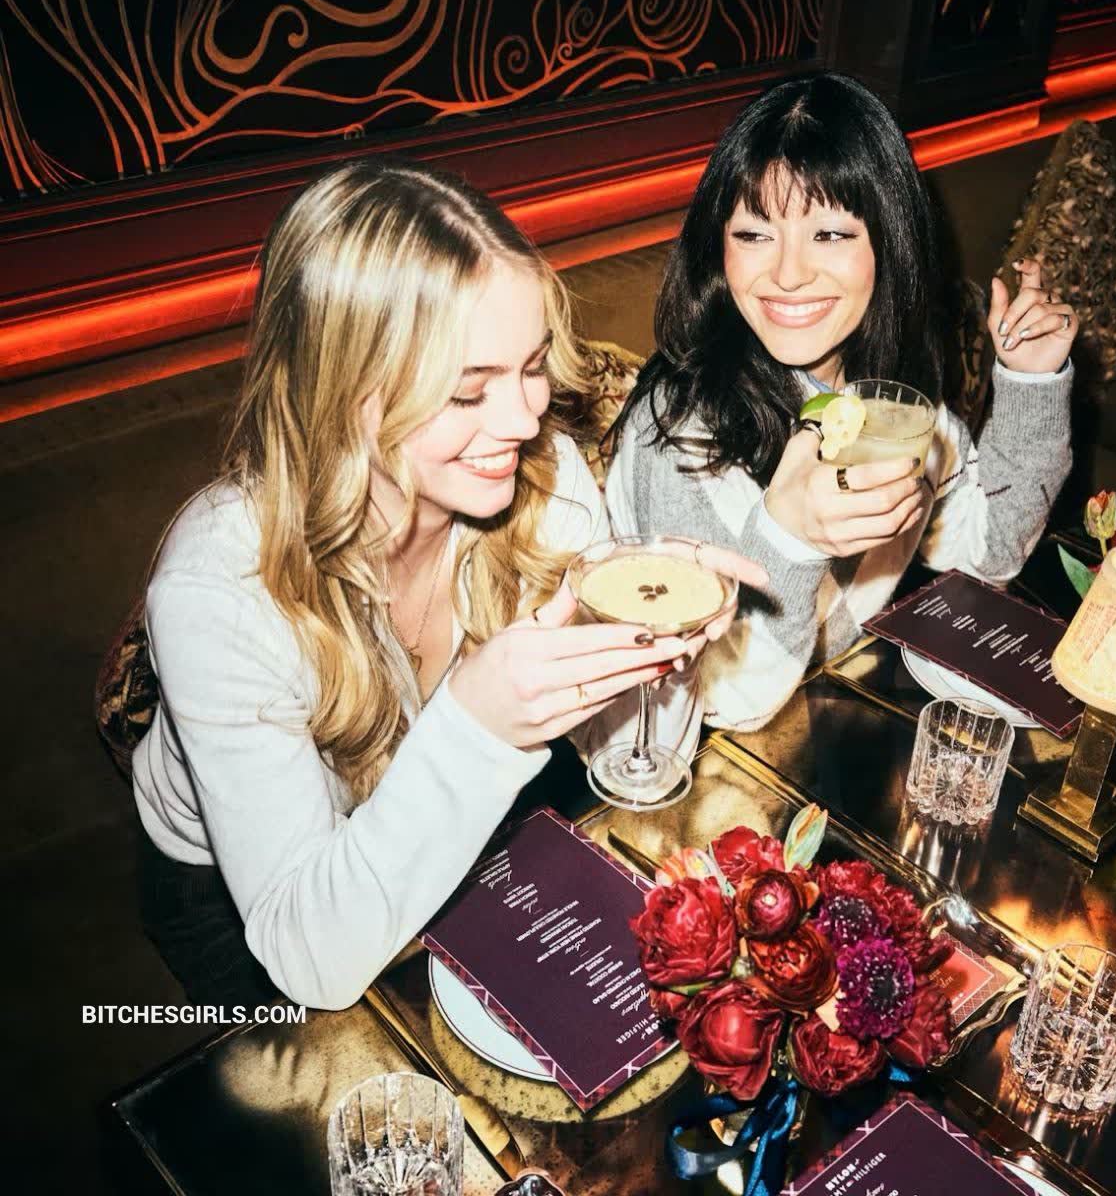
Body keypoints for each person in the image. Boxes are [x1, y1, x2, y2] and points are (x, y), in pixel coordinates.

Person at [132, 159, 761, 1010]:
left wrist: (660, 641)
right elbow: (311, 957)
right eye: (468, 393)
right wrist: (477, 725)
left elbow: (635, 763)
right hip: (243, 901)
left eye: (532, 366)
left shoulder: (546, 480)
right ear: (340, 393)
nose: (525, 418)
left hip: (453, 807)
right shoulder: (218, 591)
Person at [606, 72, 1076, 732]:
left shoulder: (888, 403)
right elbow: (720, 700)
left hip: (834, 713)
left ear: (889, 243)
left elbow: (990, 553)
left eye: (829, 234)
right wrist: (791, 537)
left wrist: (1030, 384)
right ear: (718, 248)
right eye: (754, 234)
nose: (788, 273)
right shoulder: (681, 432)